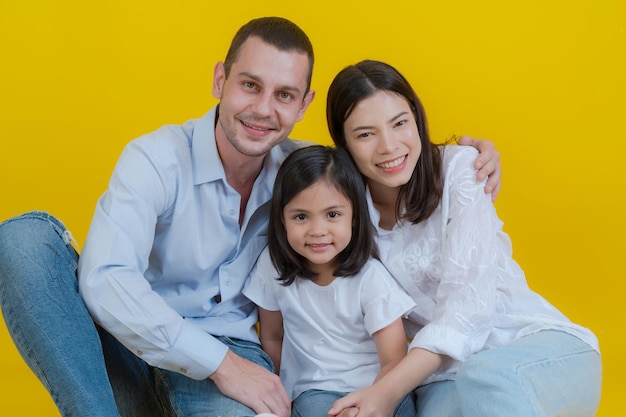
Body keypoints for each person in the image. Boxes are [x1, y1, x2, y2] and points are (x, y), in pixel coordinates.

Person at [0, 17, 501, 417]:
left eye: (284, 95)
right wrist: (220, 365)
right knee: (22, 241)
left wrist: (458, 157)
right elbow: (108, 281)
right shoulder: (155, 158)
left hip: (236, 354)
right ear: (220, 79)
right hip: (131, 345)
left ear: (303, 105)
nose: (263, 109)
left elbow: (383, 160)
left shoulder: (307, 173)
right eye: (249, 85)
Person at [324, 60, 602, 417]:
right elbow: (276, 154)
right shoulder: (339, 206)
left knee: (486, 375)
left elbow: (465, 311)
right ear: (342, 143)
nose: (389, 146)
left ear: (417, 118)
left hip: (536, 347)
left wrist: (384, 393)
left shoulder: (461, 170)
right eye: (365, 134)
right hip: (444, 376)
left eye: (400, 123)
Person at [243, 145, 416, 417]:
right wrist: (275, 397)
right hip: (316, 391)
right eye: (301, 217)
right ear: (282, 219)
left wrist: (370, 403)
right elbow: (273, 337)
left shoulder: (370, 278)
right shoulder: (272, 266)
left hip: (380, 389)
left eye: (332, 215)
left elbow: (395, 360)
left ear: (355, 217)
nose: (318, 231)